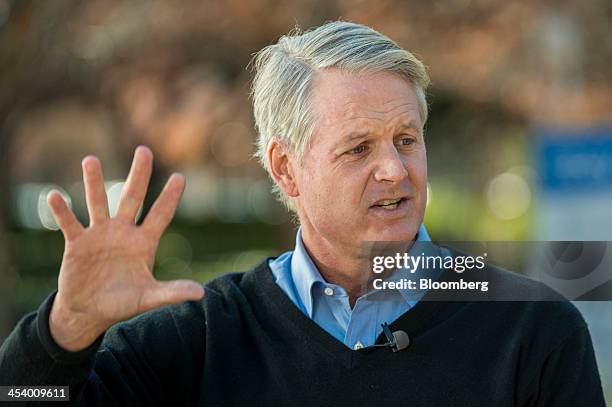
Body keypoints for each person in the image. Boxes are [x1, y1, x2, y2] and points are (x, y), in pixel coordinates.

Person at [0, 21, 605, 406]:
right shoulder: (197, 341)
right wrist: (62, 335)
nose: (394, 169)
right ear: (285, 168)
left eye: (407, 139)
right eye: (359, 148)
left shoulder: (534, 331)